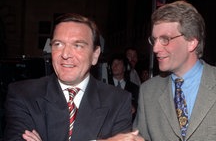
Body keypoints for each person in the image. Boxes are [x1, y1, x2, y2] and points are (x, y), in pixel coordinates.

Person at [107, 0, 216, 141]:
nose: (156, 48)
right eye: (154, 40)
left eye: (165, 39)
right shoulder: (148, 91)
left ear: (192, 42)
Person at [4, 13, 133, 141]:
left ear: (95, 55)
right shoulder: (23, 95)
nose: (65, 54)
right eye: (58, 44)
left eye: (77, 45)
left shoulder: (118, 101)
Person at [107, 53, 139, 122]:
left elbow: (139, 107)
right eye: (113, 63)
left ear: (125, 68)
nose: (115, 66)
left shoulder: (134, 88)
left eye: (118, 63)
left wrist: (134, 108)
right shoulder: (105, 86)